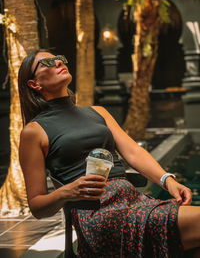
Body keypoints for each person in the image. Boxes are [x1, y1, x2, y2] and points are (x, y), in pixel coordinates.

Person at [18, 49, 200, 258]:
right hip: (98, 215)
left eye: (59, 58)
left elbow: (133, 152)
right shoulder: (33, 132)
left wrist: (168, 180)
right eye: (48, 62)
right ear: (34, 84)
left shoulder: (98, 112)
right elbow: (37, 206)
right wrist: (67, 192)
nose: (58, 62)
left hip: (134, 202)